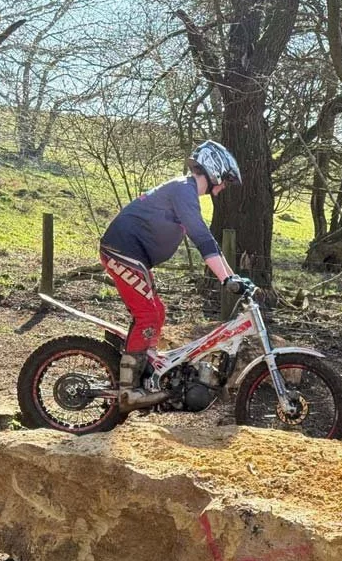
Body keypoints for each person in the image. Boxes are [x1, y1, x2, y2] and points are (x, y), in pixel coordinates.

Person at [99, 140, 253, 411]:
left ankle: (145, 369)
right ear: (214, 170)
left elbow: (210, 243)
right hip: (122, 250)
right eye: (226, 180)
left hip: (134, 256)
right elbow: (202, 239)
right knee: (147, 314)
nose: (224, 187)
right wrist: (227, 280)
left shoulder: (186, 192)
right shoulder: (184, 189)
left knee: (158, 311)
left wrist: (233, 276)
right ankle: (129, 391)